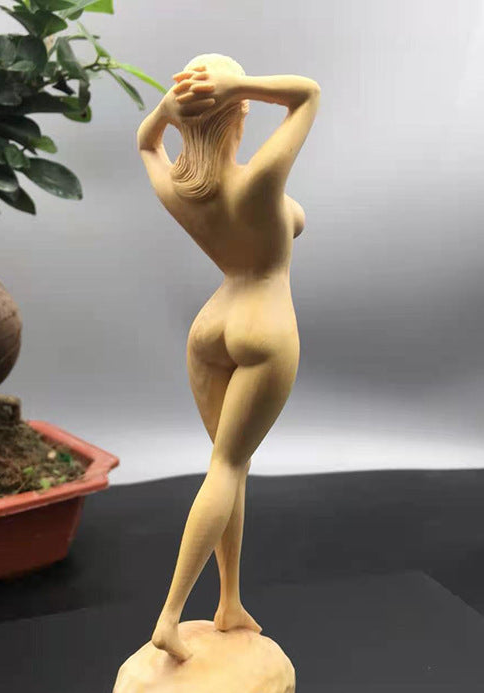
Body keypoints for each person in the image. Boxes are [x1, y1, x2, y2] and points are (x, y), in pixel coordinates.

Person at [136, 54, 320, 661]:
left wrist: (168, 109)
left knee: (228, 465)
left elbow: (146, 143)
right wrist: (238, 84)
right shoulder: (259, 183)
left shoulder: (185, 192)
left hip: (212, 326)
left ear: (187, 123)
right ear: (238, 114)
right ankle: (168, 617)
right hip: (264, 327)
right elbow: (307, 94)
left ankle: (229, 601)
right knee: (228, 466)